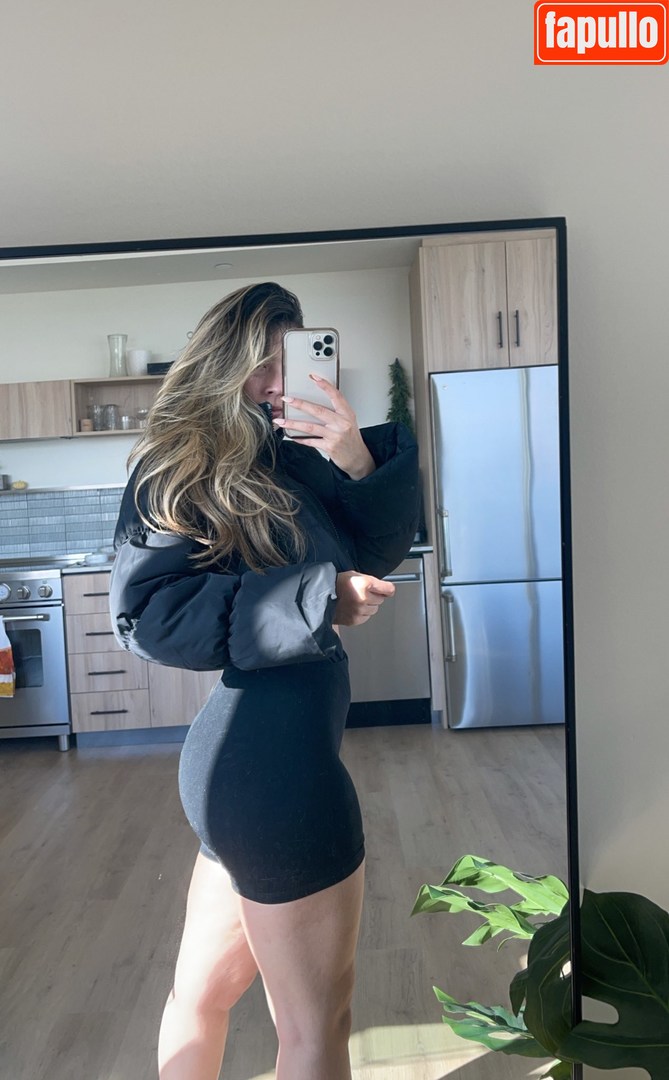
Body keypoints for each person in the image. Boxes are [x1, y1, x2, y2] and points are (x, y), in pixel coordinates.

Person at [110, 281, 419, 1080]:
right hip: (276, 768)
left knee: (201, 999)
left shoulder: (286, 460)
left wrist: (355, 459)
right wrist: (316, 600)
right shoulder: (176, 465)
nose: (278, 384)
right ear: (224, 362)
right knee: (316, 1029)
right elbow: (150, 615)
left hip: (245, 766)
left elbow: (371, 552)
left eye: (292, 363)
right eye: (263, 365)